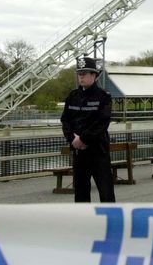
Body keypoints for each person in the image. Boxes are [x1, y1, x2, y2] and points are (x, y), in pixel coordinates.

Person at [60, 56, 115, 203]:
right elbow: (65, 120)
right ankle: (84, 223)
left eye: (84, 73)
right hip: (80, 153)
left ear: (94, 75)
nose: (81, 77)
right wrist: (72, 139)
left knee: (106, 193)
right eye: (79, 73)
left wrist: (83, 139)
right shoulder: (72, 96)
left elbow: (102, 123)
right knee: (81, 193)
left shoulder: (103, 97)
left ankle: (109, 224)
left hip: (98, 152)